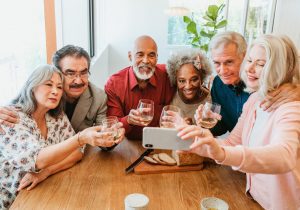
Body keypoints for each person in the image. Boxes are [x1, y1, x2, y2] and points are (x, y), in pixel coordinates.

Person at [178, 34, 300, 210]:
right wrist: (202, 139)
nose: (250, 68)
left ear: (279, 67)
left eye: (260, 64)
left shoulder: (289, 104)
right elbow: (232, 141)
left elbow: (284, 156)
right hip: (253, 195)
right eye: (250, 61)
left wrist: (221, 153)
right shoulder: (255, 99)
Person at [0, 65, 124, 209]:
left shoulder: (55, 115)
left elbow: (77, 153)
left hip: (41, 191)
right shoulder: (11, 118)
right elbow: (37, 159)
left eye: (59, 87)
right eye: (48, 85)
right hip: (12, 201)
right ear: (32, 86)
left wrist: (45, 173)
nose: (55, 91)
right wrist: (80, 138)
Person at [209, 31, 300, 136]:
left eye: (229, 62)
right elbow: (222, 127)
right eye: (216, 63)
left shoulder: (266, 85)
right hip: (238, 149)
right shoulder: (217, 84)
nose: (222, 70)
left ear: (245, 56)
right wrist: (208, 122)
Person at [0, 45, 107, 134]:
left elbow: (104, 136)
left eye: (83, 73)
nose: (78, 81)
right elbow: (18, 103)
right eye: (70, 73)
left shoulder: (99, 97)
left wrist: (112, 135)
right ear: (57, 73)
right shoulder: (43, 94)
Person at [105, 35, 175, 140]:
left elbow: (189, 78)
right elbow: (112, 127)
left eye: (151, 55)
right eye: (140, 55)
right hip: (127, 142)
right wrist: (129, 120)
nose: (146, 61)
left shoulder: (167, 75)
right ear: (130, 57)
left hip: (159, 141)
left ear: (157, 57)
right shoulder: (114, 83)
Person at [166, 49, 212, 125]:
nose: (188, 86)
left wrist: (192, 127)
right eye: (182, 81)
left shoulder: (209, 101)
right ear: (175, 80)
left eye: (194, 79)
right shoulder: (171, 92)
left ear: (202, 77)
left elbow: (210, 131)